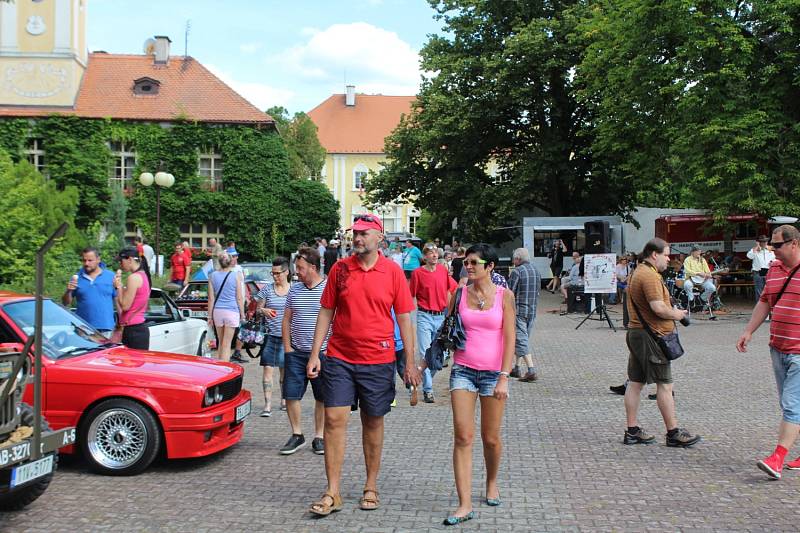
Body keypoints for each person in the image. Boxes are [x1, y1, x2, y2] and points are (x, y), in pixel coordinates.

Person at [305, 213, 420, 517]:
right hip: (340, 357)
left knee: (373, 422)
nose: (357, 238)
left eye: (364, 233)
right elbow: (326, 312)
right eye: (355, 233)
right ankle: (333, 491)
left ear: (379, 238)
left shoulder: (393, 272)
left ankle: (371, 485)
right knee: (333, 420)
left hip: (378, 360)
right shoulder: (340, 270)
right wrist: (315, 353)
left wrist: (410, 361)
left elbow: (406, 318)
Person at [444, 243, 515, 526]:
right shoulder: (459, 294)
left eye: (474, 262)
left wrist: (504, 377)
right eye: (466, 262)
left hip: (493, 374)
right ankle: (464, 503)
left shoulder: (504, 296)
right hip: (462, 370)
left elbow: (510, 339)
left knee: (491, 438)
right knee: (463, 436)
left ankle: (492, 481)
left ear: (491, 267)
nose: (468, 267)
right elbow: (446, 330)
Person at [623, 238, 700, 448]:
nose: (669, 259)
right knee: (665, 385)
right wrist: (677, 314)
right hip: (651, 336)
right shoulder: (648, 275)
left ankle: (632, 431)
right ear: (654, 254)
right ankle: (673, 433)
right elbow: (658, 308)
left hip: (638, 333)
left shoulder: (638, 271)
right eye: (666, 255)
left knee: (635, 382)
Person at [737, 225, 800, 479]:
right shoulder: (773, 269)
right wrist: (749, 330)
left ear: (794, 243)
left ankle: (777, 458)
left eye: (777, 245)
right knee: (791, 405)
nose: (772, 250)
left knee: (791, 405)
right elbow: (765, 301)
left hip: (799, 351)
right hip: (778, 348)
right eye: (771, 245)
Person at [280, 247, 330, 456]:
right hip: (297, 352)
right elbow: (286, 319)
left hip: (323, 353)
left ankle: (319, 436)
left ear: (312, 267)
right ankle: (297, 433)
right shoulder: (295, 289)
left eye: (300, 268)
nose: (296, 272)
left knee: (322, 396)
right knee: (291, 394)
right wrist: (288, 347)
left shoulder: (328, 288)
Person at [410, 243, 457, 403]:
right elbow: (411, 295)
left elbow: (453, 289)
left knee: (440, 356)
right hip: (424, 315)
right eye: (430, 253)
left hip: (440, 317)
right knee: (425, 353)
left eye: (436, 252)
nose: (434, 255)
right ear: (424, 257)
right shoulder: (418, 273)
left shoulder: (443, 271)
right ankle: (428, 390)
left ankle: (417, 374)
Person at [254, 257, 290, 417]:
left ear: (286, 272)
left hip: (287, 337)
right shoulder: (267, 290)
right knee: (268, 370)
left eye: (277, 273)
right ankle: (267, 404)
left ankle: (284, 400)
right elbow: (257, 309)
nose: (275, 276)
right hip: (270, 336)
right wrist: (264, 311)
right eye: (273, 273)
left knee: (284, 372)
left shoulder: (294, 289)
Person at [62, 247, 117, 337]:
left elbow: (119, 300)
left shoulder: (111, 276)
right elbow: (65, 303)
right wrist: (68, 291)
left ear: (98, 260)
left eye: (90, 260)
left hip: (106, 328)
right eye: (84, 260)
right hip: (83, 328)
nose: (86, 263)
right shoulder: (77, 277)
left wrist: (120, 326)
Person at [508, 247, 541, 382]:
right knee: (523, 338)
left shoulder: (517, 272)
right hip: (532, 310)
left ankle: (531, 370)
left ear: (517, 259)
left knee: (522, 340)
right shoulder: (536, 270)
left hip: (519, 310)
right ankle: (516, 367)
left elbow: (510, 293)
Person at [207, 252, 245, 362]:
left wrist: (209, 317)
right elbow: (239, 297)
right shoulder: (236, 275)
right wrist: (242, 314)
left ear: (219, 262)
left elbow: (211, 298)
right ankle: (225, 370)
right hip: (232, 311)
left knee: (220, 342)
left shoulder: (212, 276)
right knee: (227, 344)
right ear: (230, 261)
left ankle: (219, 367)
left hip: (218, 312)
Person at [113, 247, 152, 350]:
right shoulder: (143, 275)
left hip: (133, 330)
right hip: (138, 329)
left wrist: (119, 287)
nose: (120, 265)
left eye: (121, 261)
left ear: (129, 259)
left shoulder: (133, 278)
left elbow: (125, 306)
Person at [747, 235, 775, 302]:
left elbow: (776, 258)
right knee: (759, 291)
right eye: (763, 241)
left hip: (768, 272)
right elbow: (749, 256)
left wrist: (772, 262)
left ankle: (768, 307)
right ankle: (760, 308)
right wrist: (757, 247)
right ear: (759, 242)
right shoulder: (755, 249)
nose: (765, 243)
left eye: (766, 241)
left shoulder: (770, 249)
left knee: (769, 290)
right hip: (758, 272)